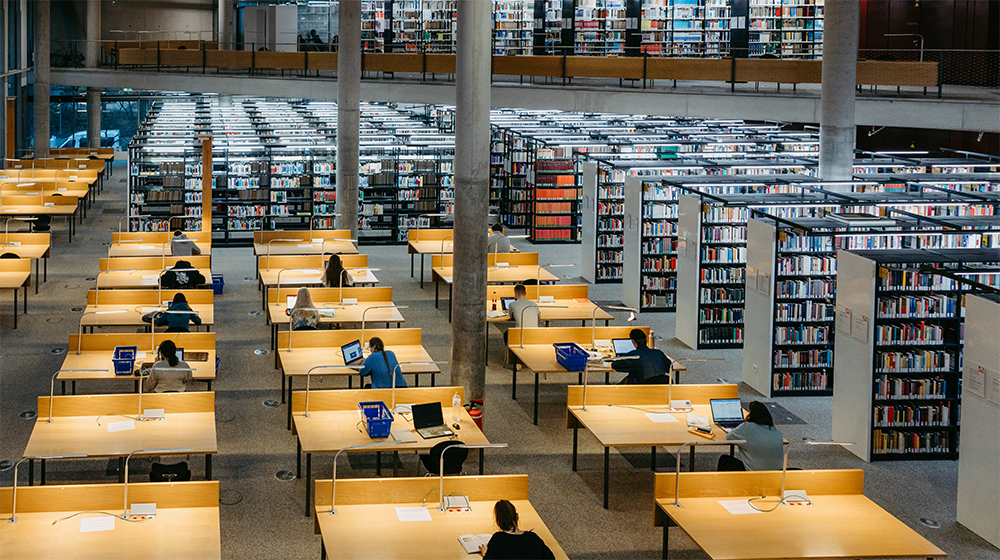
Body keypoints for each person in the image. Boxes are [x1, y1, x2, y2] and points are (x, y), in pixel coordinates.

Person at [478, 500, 554, 559]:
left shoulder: (498, 540)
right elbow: (551, 558)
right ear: (517, 516)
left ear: (498, 522)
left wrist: (485, 554)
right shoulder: (533, 538)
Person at [720, 401, 784, 471]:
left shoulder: (747, 427)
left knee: (724, 460)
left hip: (754, 474)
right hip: (777, 475)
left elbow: (729, 437)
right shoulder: (778, 433)